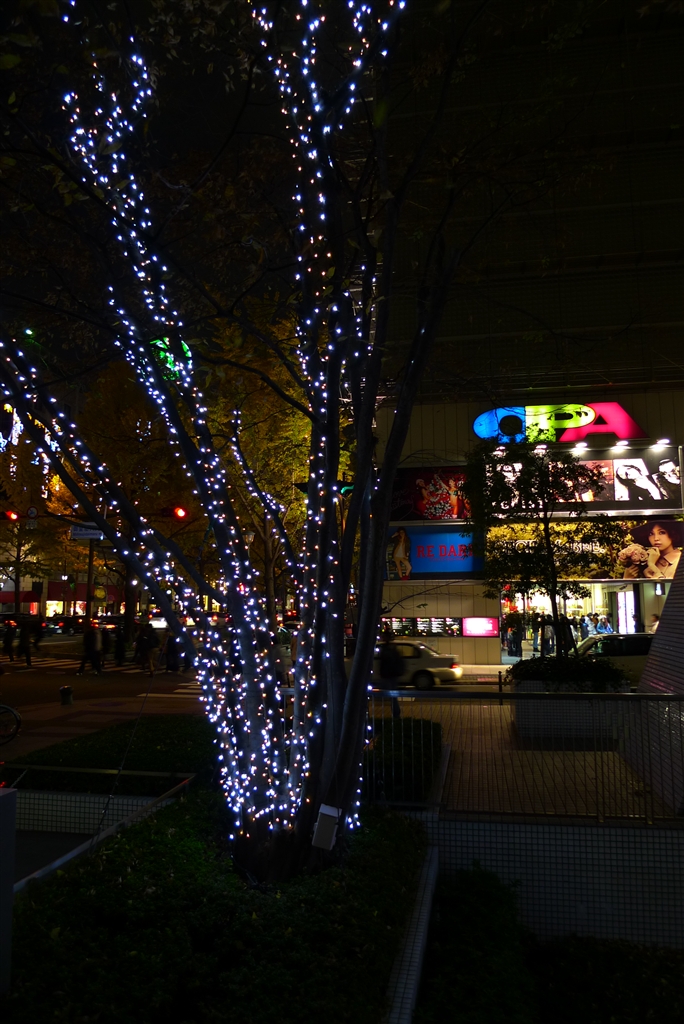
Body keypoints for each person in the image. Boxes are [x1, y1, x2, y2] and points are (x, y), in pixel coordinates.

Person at [378, 641, 405, 719]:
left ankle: (395, 714)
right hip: (391, 675)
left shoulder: (387, 651)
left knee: (391, 696)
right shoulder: (393, 650)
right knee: (392, 696)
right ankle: (396, 714)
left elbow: (385, 663)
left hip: (388, 676)